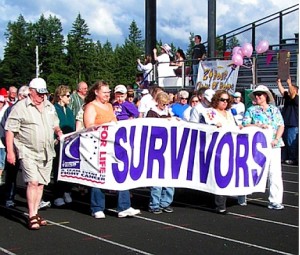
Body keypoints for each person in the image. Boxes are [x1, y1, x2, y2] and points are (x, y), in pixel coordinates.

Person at [5, 78, 63, 229]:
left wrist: (58, 131)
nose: (42, 96)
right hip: (27, 150)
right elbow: (10, 130)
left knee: (41, 183)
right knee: (32, 182)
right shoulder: (20, 107)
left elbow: (55, 123)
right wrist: (10, 152)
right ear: (31, 91)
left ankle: (36, 212)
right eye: (39, 93)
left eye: (44, 93)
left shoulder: (49, 105)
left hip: (47, 151)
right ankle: (31, 215)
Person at [83, 80, 140, 219]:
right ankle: (97, 207)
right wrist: (106, 124)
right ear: (96, 92)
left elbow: (115, 122)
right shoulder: (91, 106)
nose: (108, 95)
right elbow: (89, 125)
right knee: (98, 175)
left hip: (113, 145)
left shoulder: (109, 106)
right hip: (97, 146)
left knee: (121, 171)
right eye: (105, 92)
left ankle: (124, 206)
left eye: (109, 92)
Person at [243, 85, 285, 210]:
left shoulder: (274, 110)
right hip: (257, 145)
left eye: (260, 94)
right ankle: (242, 194)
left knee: (275, 173)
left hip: (274, 145)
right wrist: (256, 125)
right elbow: (244, 124)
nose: (257, 96)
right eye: (256, 94)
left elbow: (280, 125)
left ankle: (275, 200)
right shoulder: (251, 110)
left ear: (266, 95)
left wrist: (276, 139)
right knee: (251, 169)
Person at [202, 90, 241, 214]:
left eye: (227, 100)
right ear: (216, 100)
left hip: (230, 147)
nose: (225, 102)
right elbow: (207, 126)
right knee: (219, 174)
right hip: (216, 148)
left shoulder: (229, 114)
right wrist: (214, 126)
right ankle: (220, 204)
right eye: (222, 100)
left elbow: (235, 127)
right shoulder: (210, 112)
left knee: (228, 173)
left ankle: (226, 198)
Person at [146, 92, 175, 214]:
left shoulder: (168, 112)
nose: (165, 106)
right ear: (158, 102)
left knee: (169, 179)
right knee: (157, 179)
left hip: (167, 148)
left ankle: (165, 202)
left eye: (166, 104)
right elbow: (149, 129)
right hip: (156, 149)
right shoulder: (152, 113)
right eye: (163, 104)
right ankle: (154, 204)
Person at [52, 85, 76, 206]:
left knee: (69, 168)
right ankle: (57, 194)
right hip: (58, 143)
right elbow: (53, 125)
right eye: (67, 95)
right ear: (60, 97)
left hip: (69, 143)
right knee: (57, 169)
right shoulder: (54, 109)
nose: (69, 97)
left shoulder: (70, 110)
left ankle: (67, 191)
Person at [277, 78, 298, 165]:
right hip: (285, 124)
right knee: (284, 143)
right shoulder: (288, 98)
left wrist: (289, 84)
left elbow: (292, 93)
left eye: (290, 89)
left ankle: (292, 158)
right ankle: (284, 157)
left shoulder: (296, 99)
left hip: (293, 124)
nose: (288, 91)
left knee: (291, 143)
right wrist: (278, 82)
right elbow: (282, 91)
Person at [0, 94, 9, 185]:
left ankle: (0, 176)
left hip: (2, 139)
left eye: (1, 102)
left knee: (1, 160)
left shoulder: (6, 110)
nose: (0, 103)